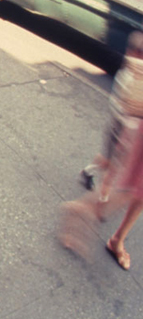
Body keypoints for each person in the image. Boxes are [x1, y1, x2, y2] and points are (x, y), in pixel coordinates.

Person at [60, 32, 143, 270]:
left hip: (131, 130)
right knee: (127, 188)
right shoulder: (130, 78)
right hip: (129, 131)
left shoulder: (130, 74)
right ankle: (81, 208)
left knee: (130, 186)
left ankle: (113, 234)